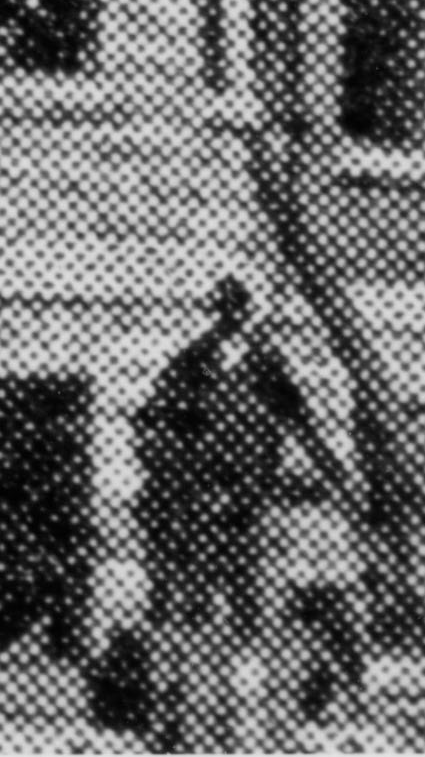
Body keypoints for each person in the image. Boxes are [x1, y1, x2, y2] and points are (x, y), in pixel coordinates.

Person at [131, 279, 314, 745]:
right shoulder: (191, 363)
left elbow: (300, 426)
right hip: (198, 512)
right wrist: (180, 483)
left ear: (246, 313)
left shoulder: (268, 365)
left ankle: (251, 729)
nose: (230, 317)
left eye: (238, 310)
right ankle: (187, 727)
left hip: (253, 512)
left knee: (254, 617)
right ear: (215, 312)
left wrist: (275, 485)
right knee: (190, 614)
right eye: (223, 309)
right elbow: (153, 427)